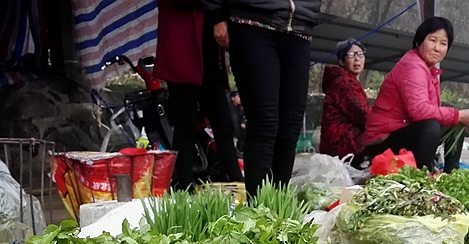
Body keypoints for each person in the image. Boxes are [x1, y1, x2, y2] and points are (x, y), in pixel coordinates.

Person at [203, 0, 321, 196]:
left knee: (290, 127)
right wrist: (216, 15)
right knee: (265, 122)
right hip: (253, 21)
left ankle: (278, 209)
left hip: (300, 26)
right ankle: (258, 212)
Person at [358, 17, 469, 172]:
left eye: (443, 43)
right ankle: (422, 176)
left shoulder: (427, 69)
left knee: (454, 121)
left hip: (400, 131)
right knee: (432, 125)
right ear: (419, 41)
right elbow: (419, 111)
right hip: (381, 141)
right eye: (432, 40)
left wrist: (457, 116)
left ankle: (452, 173)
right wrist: (457, 115)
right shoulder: (413, 66)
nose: (437, 48)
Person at [153, 0, 242, 189]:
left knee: (223, 123)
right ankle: (185, 187)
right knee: (185, 124)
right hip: (182, 48)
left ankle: (236, 183)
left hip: (208, 51)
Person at [320, 39, 371, 159]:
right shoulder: (344, 83)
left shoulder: (345, 81)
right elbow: (364, 115)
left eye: (360, 54)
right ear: (341, 61)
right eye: (351, 55)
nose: (357, 59)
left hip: (340, 148)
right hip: (346, 149)